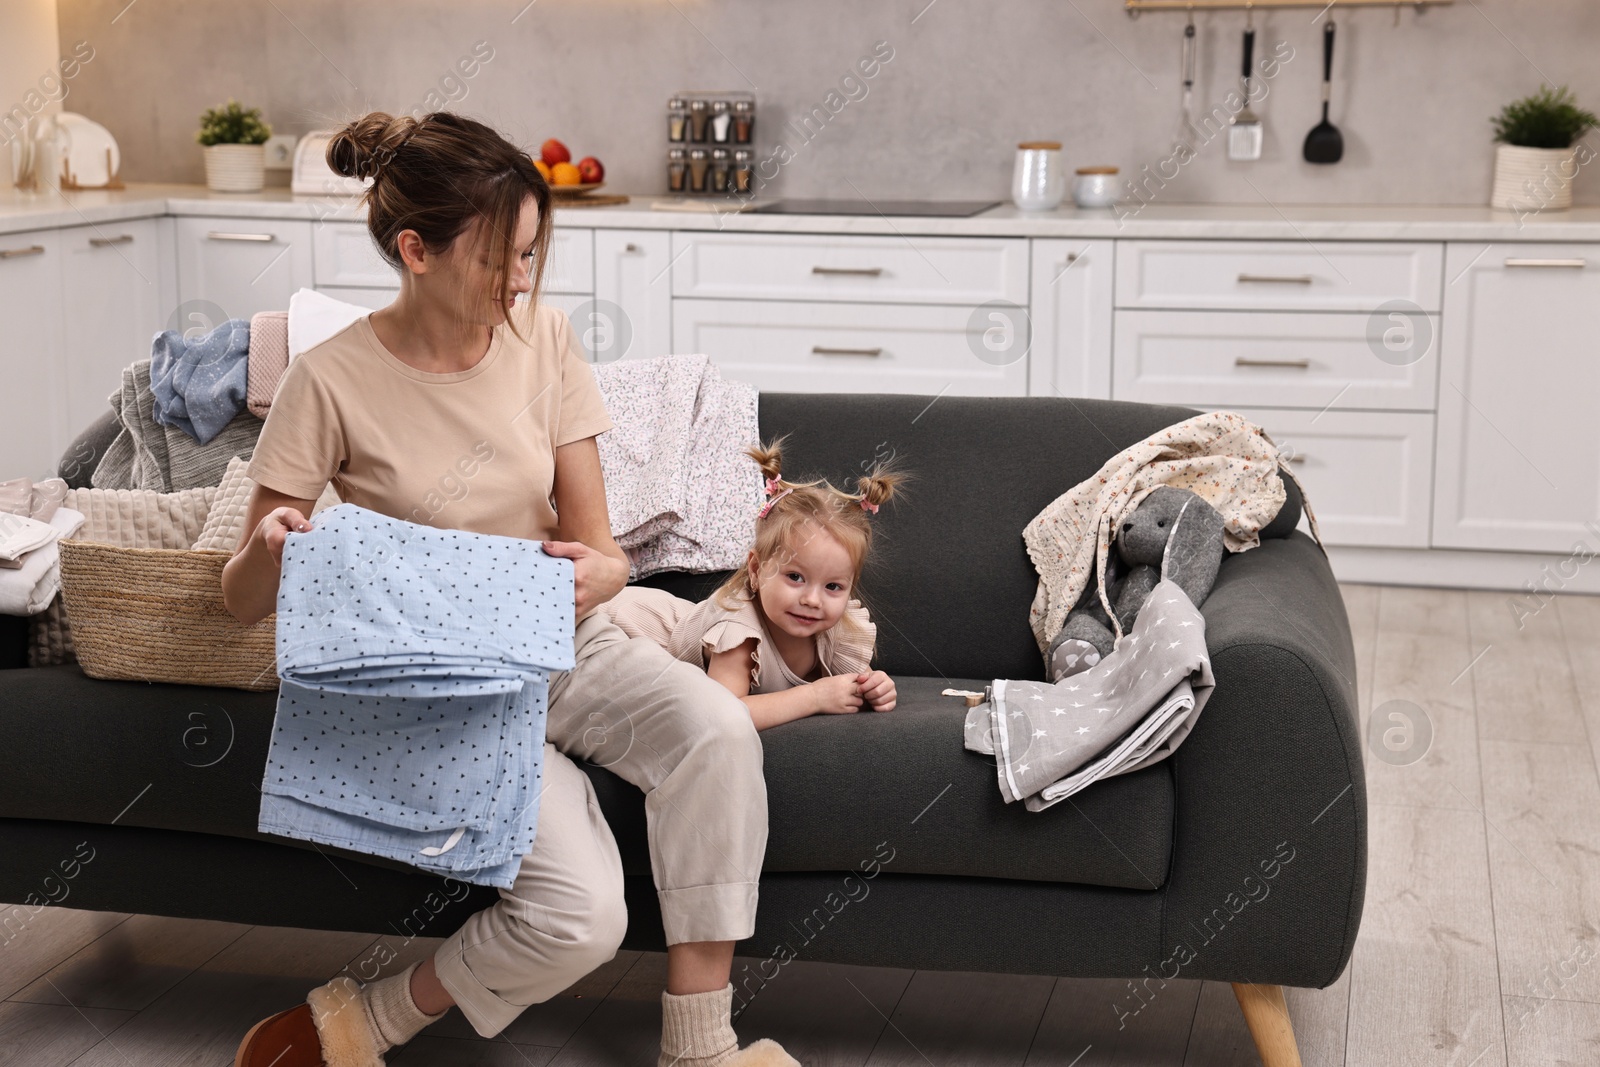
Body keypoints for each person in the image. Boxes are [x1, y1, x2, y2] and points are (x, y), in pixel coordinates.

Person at [222, 111, 794, 1067]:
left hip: (561, 640)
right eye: (499, 260)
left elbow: (603, 551)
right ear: (416, 250)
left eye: (533, 253)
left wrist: (598, 571)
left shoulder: (546, 340)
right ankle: (367, 1020)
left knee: (720, 731)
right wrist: (277, 547)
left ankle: (700, 1049)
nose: (522, 280)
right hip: (433, 685)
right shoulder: (326, 382)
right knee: (581, 918)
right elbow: (241, 598)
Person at [602, 439, 901, 730]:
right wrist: (813, 697)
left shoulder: (835, 628)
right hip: (625, 628)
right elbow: (720, 714)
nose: (812, 599)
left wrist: (874, 687)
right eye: (795, 577)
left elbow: (852, 685)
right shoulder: (739, 633)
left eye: (833, 587)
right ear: (756, 570)